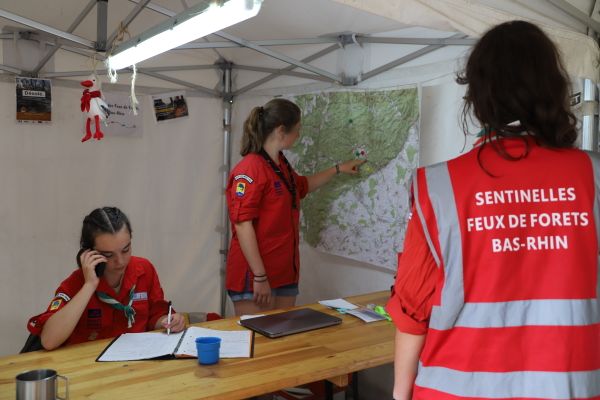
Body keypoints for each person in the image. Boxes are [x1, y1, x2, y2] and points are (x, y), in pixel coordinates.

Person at [387, 20, 600, 399]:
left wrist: (400, 394)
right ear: (553, 88)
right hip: (568, 387)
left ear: (479, 96)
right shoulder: (593, 177)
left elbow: (412, 310)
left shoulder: (437, 187)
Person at [226, 98, 365, 315]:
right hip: (256, 276)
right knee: (257, 342)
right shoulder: (251, 168)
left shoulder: (281, 164)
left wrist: (339, 169)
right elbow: (243, 224)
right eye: (297, 130)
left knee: (282, 341)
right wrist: (260, 276)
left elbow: (302, 186)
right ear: (282, 130)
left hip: (284, 274)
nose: (299, 135)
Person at [27, 207, 186, 350]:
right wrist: (89, 285)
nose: (120, 261)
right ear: (89, 253)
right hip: (88, 369)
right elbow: (49, 341)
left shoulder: (144, 270)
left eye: (126, 249)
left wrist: (168, 321)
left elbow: (154, 316)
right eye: (108, 255)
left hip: (134, 364)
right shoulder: (77, 283)